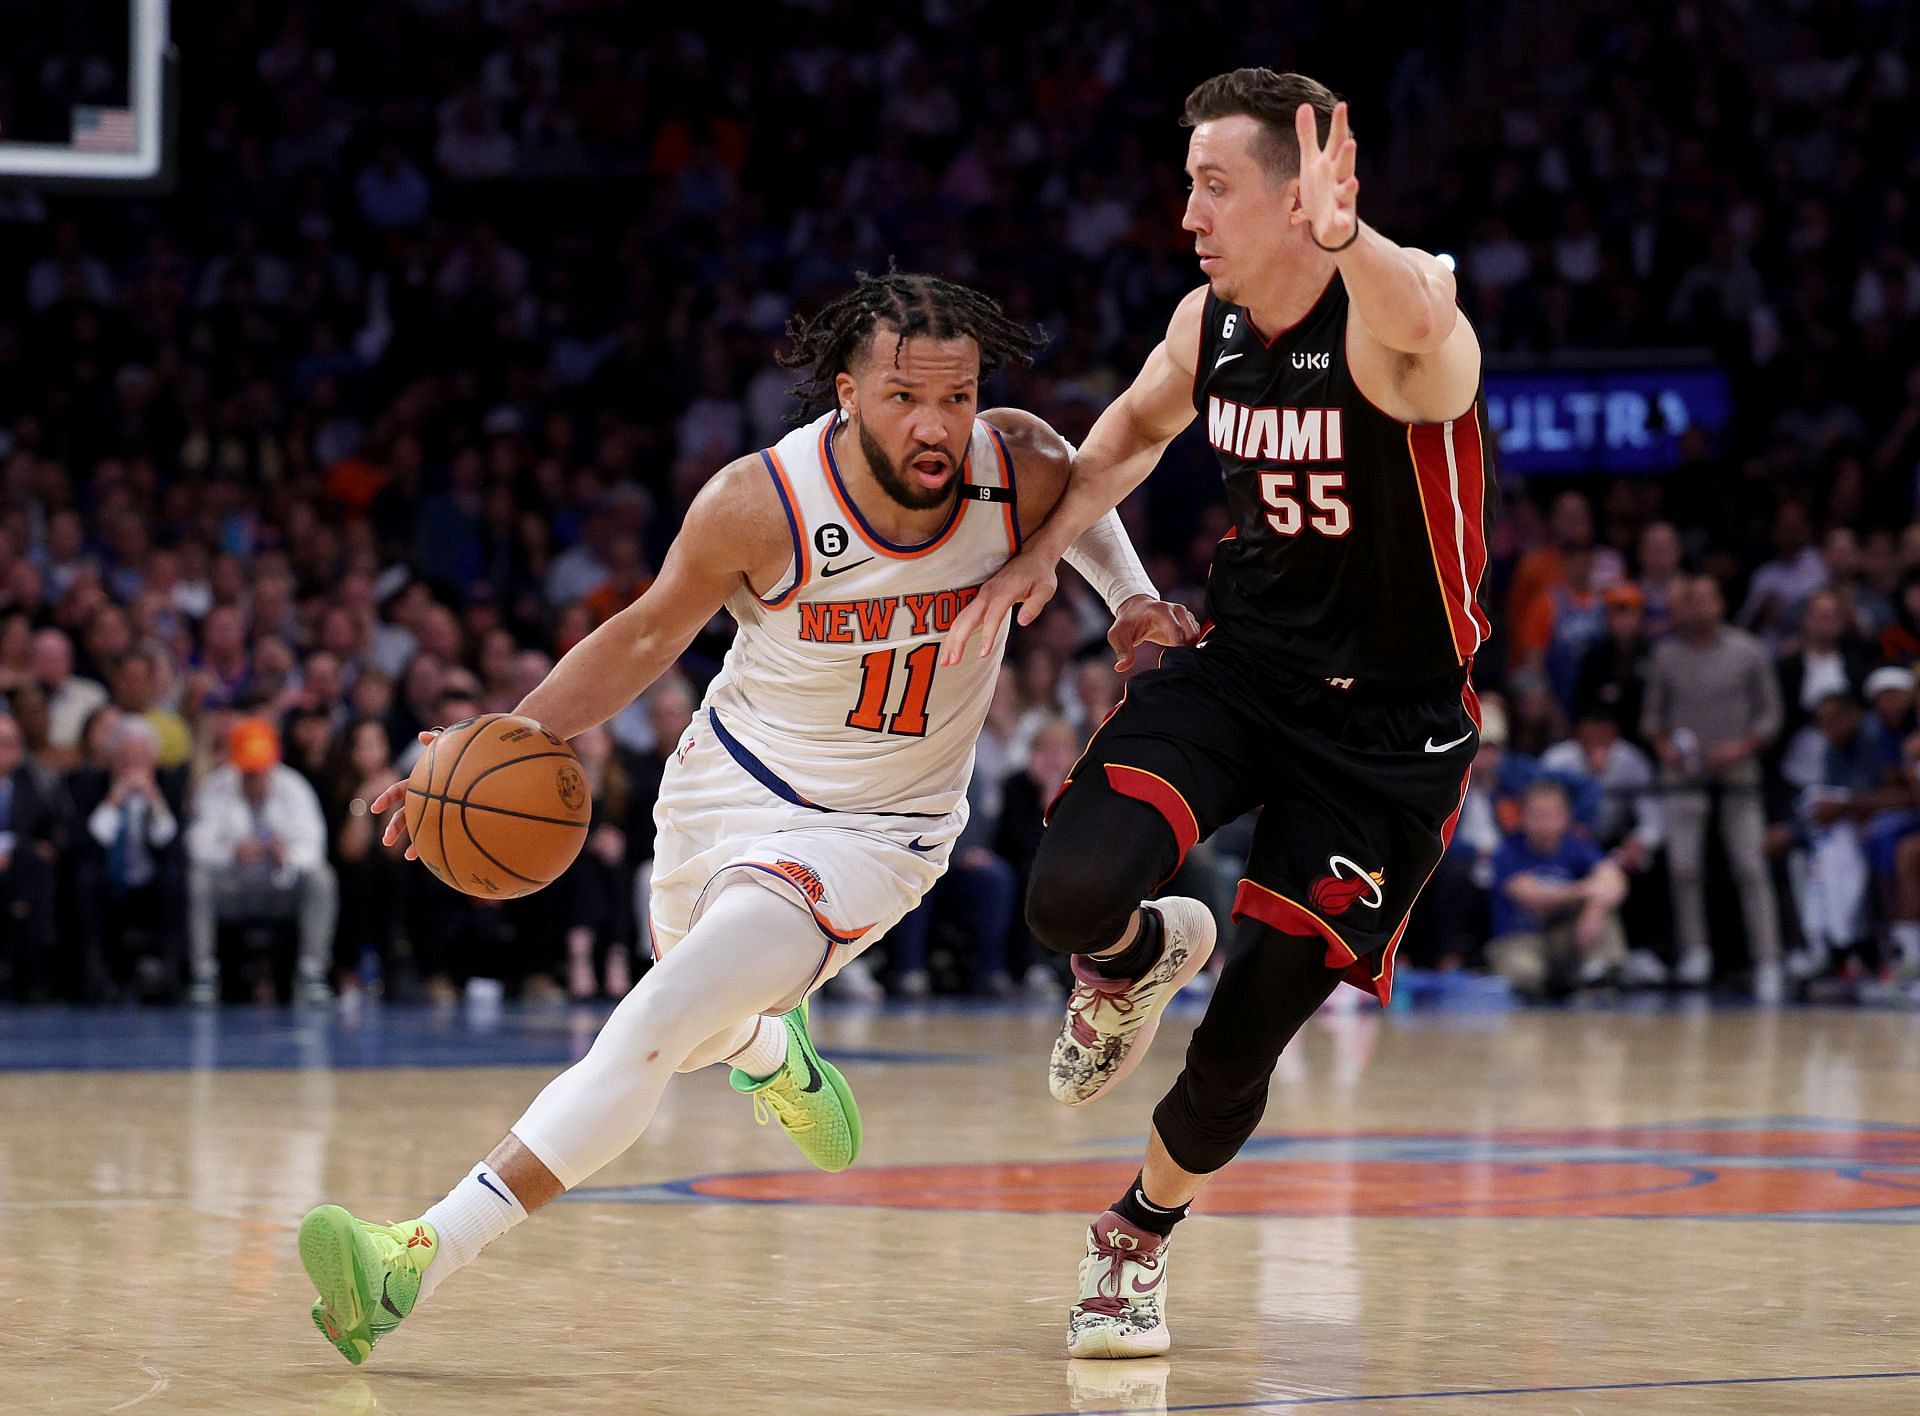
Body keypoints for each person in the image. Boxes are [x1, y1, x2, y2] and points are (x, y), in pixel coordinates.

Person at [296, 271, 1195, 1366]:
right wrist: (494, 743)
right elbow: (639, 638)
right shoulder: (760, 502)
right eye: (908, 397)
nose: (939, 424)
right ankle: (772, 1054)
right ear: (850, 392)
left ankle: (414, 1257)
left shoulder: (1021, 465)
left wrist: (1132, 597)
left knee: (654, 1023)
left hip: (875, 834)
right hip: (724, 787)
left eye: (959, 398)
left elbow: (1085, 503)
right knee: (701, 1025)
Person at [947, 70, 1490, 1358]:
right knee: (1066, 895)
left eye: (1214, 185)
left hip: (1389, 736)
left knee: (1247, 1036)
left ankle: (1133, 1239)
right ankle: (1137, 957)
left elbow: (1427, 323)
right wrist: (1049, 552)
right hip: (1239, 668)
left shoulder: (1394, 329)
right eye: (1187, 182)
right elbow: (1128, 434)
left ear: (1300, 197)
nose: (1188, 210)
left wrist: (1359, 239)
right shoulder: (1211, 324)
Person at [1642, 574, 1784, 997]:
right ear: (1679, 607)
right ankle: (1695, 952)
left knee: (1750, 865)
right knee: (1683, 865)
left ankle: (1768, 961)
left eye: (1707, 599)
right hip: (1684, 772)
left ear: (1721, 603)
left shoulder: (1747, 650)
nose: (1699, 608)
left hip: (1739, 770)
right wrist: (1666, 747)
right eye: (1691, 600)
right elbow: (1652, 720)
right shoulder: (1666, 655)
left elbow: (1771, 716)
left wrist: (1742, 746)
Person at [184, 717, 337, 1006]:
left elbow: (314, 847)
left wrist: (287, 856)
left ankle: (311, 974)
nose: (254, 777)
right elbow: (196, 846)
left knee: (321, 879)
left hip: (281, 891)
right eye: (248, 771)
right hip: (233, 890)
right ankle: (203, 975)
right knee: (197, 880)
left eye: (260, 770)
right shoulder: (216, 787)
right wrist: (232, 852)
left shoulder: (295, 788)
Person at [1484, 780, 1630, 997]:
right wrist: (1586, 889)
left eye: (1552, 814)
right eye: (1537, 814)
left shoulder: (1576, 846)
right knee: (1524, 977)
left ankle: (1600, 974)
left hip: (1563, 939)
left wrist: (1595, 908)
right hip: (1519, 939)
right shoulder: (1507, 852)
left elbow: (1615, 881)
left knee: (1603, 911)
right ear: (1523, 817)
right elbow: (1532, 895)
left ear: (1566, 817)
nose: (1545, 822)